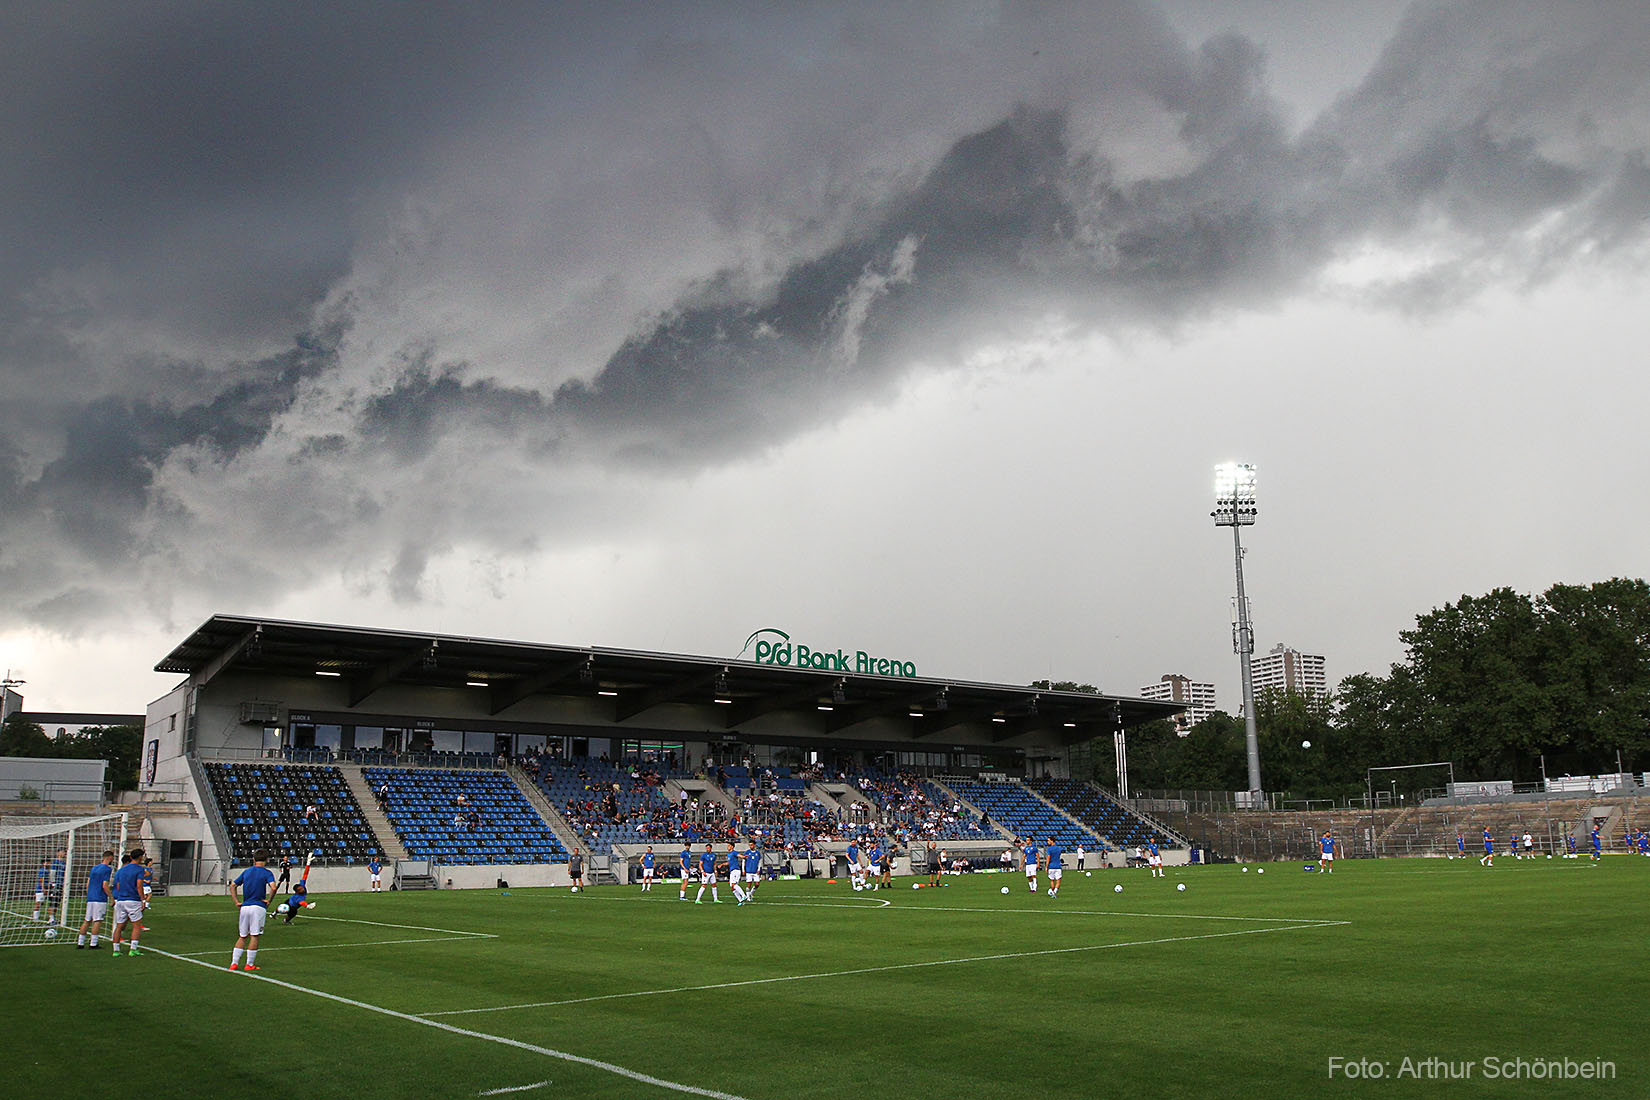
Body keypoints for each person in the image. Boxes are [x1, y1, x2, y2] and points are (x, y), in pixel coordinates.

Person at [230, 848, 276, 971]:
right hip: (258, 907)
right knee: (254, 936)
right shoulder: (267, 873)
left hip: (245, 907)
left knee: (242, 936)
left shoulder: (247, 872)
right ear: (267, 860)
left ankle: (234, 963)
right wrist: (269, 901)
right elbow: (273, 887)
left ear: (254, 859)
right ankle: (249, 964)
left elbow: (233, 885)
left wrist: (236, 902)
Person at [109, 847, 148, 957]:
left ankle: (116, 950)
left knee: (119, 926)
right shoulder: (139, 869)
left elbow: (117, 885)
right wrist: (143, 899)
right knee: (136, 925)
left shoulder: (121, 870)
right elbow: (139, 885)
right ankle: (133, 949)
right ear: (140, 857)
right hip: (133, 900)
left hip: (121, 900)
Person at [77, 849, 115, 949]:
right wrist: (111, 897)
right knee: (97, 920)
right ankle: (93, 943)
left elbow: (88, 884)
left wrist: (89, 894)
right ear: (110, 858)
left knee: (87, 920)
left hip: (91, 897)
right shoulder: (107, 869)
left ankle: (80, 943)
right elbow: (105, 885)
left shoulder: (94, 868)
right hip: (99, 898)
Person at [280, 858, 316, 924]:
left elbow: (305, 874)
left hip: (290, 900)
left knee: (291, 915)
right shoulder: (298, 897)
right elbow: (302, 902)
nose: (302, 889)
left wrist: (308, 863)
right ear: (297, 892)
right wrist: (307, 906)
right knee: (292, 912)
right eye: (300, 890)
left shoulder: (302, 885)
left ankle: (284, 920)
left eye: (301, 888)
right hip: (291, 906)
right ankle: (279, 916)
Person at [31, 857, 51, 923]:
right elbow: (41, 879)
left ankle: (35, 917)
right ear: (43, 863)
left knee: (41, 903)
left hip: (42, 889)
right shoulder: (43, 870)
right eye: (47, 862)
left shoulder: (46, 870)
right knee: (38, 903)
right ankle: (35, 918)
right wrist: (43, 889)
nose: (49, 864)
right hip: (40, 889)